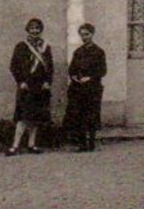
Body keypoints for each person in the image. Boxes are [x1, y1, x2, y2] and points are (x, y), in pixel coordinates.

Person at [7, 18, 53, 155]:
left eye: (37, 28)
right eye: (32, 28)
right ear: (28, 30)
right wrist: (20, 81)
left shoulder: (45, 47)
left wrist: (47, 82)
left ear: (41, 30)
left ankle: (31, 144)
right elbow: (13, 66)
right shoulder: (21, 46)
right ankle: (15, 146)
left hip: (40, 85)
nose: (35, 31)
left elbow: (50, 67)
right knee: (23, 117)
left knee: (35, 117)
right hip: (26, 85)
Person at [62, 23, 107, 152]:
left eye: (87, 34)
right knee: (79, 115)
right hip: (79, 88)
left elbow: (103, 70)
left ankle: (91, 142)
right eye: (82, 35)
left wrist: (90, 78)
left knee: (91, 115)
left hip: (93, 88)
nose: (84, 37)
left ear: (92, 34)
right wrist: (75, 77)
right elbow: (72, 69)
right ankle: (82, 143)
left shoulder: (99, 52)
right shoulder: (78, 52)